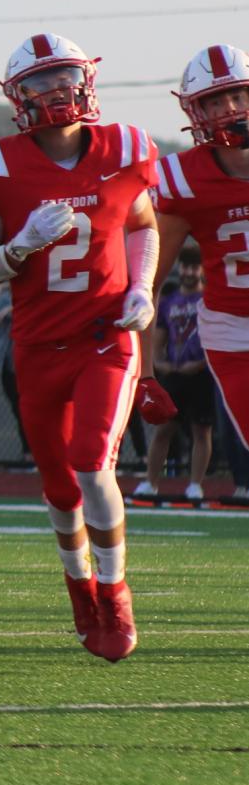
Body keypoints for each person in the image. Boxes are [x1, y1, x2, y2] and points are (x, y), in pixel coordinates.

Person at [0, 33, 157, 662]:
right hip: (39, 343)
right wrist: (20, 248)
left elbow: (144, 225)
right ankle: (80, 589)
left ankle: (116, 591)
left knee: (92, 462)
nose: (55, 93)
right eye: (39, 84)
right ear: (18, 98)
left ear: (87, 80)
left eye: (63, 78)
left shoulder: (124, 149)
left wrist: (142, 288)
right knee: (59, 489)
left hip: (106, 336)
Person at [150, 44, 249, 508]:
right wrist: (142, 370)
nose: (228, 109)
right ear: (195, 111)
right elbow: (150, 278)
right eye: (214, 101)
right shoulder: (181, 179)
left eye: (236, 96)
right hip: (233, 330)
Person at [135, 249, 211, 503]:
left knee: (201, 429)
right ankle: (150, 483)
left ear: (202, 270)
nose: (189, 272)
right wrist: (159, 363)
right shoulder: (169, 301)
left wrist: (201, 363)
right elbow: (159, 337)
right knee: (164, 429)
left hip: (201, 373)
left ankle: (195, 485)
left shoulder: (209, 299)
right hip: (175, 374)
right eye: (185, 267)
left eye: (194, 267)